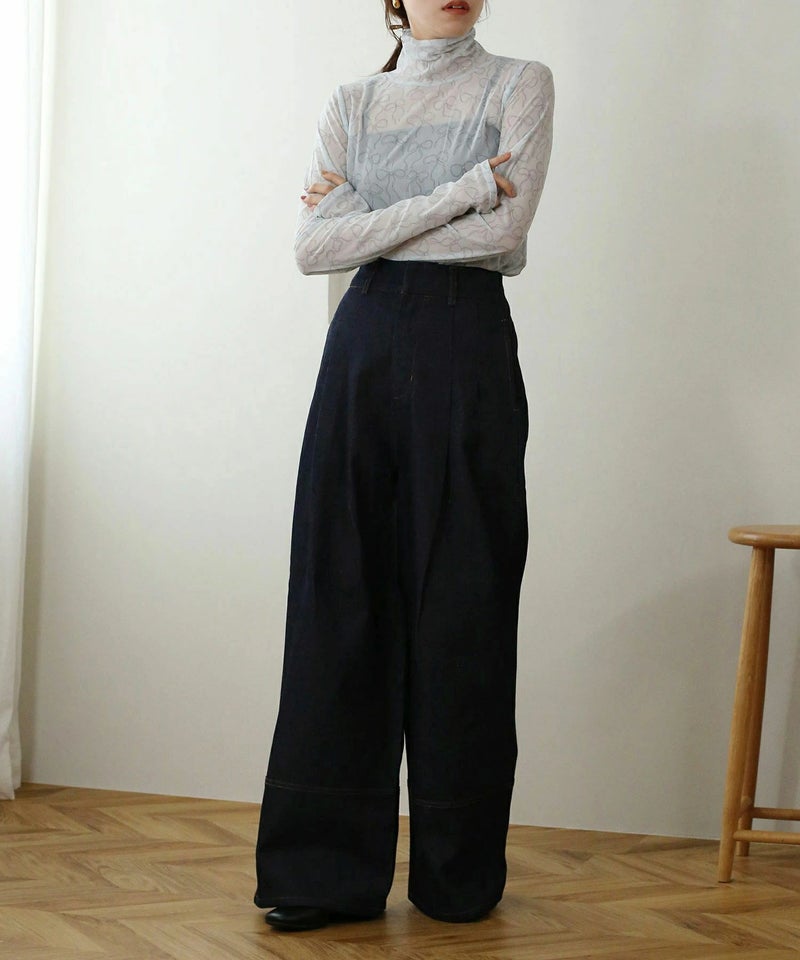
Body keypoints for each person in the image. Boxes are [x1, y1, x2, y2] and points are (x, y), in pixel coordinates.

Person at [254, 0, 554, 933]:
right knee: (339, 596)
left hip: (469, 355)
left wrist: (371, 221)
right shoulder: (352, 103)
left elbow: (504, 238)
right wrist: (463, 190)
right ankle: (322, 875)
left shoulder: (519, 85)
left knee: (465, 602)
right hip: (361, 356)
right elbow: (314, 247)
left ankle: (457, 873)